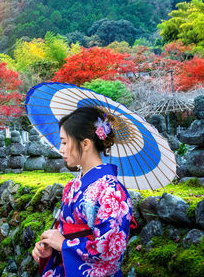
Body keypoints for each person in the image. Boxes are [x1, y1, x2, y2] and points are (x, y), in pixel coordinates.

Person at [31, 107, 134, 277]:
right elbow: (64, 233)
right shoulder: (71, 186)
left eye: (64, 142)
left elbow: (109, 251)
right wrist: (52, 248)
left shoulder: (112, 190)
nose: (61, 149)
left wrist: (64, 245)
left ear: (85, 144)